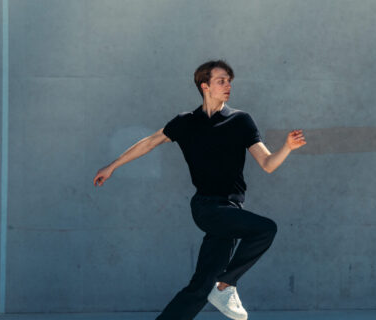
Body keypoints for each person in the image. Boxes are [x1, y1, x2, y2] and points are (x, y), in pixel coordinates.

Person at [93, 60, 306, 320]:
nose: (228, 85)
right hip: (207, 207)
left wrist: (286, 148)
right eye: (221, 81)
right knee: (266, 228)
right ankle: (226, 285)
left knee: (200, 288)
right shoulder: (186, 122)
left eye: (229, 81)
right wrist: (112, 166)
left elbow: (267, 163)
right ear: (205, 86)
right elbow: (150, 142)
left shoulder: (241, 120)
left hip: (230, 211)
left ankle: (219, 287)